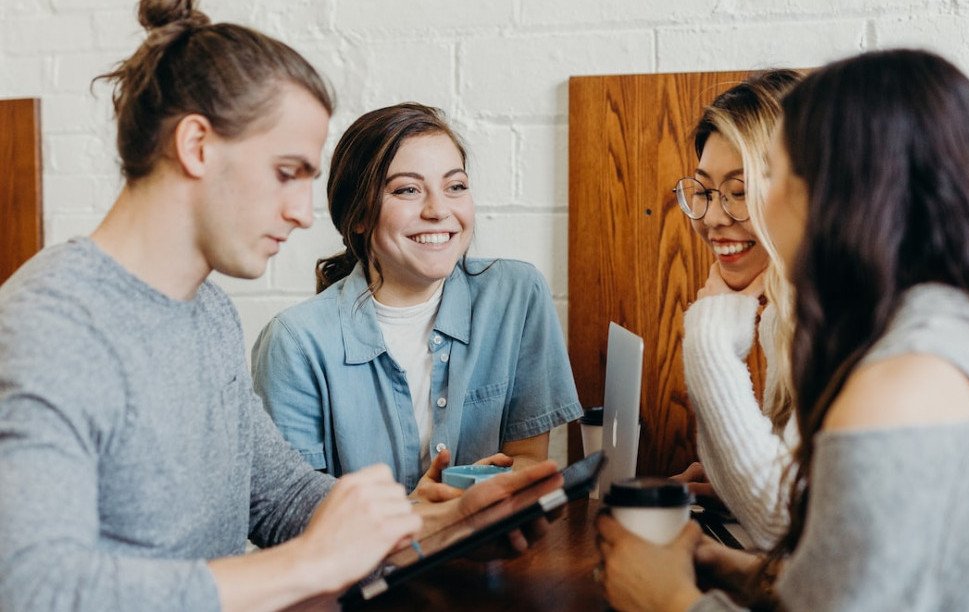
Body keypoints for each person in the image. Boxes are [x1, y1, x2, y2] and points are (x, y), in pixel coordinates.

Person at [0, 2, 558, 610]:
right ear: (197, 146)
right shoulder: (49, 325)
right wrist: (306, 565)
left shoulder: (205, 310)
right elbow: (33, 587)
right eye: (286, 172)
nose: (300, 211)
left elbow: (280, 498)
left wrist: (437, 528)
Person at [597, 48, 969, 611]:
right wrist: (738, 570)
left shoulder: (901, 381)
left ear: (841, 191)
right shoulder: (939, 329)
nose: (726, 211)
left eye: (772, 174)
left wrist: (669, 600)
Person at [251, 102, 582, 496]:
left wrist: (495, 486)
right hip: (368, 559)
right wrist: (418, 515)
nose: (439, 210)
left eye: (455, 186)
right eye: (407, 190)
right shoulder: (294, 343)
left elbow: (528, 457)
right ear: (357, 215)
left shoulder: (516, 295)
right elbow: (292, 513)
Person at [673, 70, 802, 550]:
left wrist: (709, 337)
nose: (712, 217)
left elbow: (782, 524)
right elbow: (788, 501)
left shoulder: (844, 318)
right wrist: (731, 482)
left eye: (740, 190)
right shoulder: (783, 314)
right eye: (704, 191)